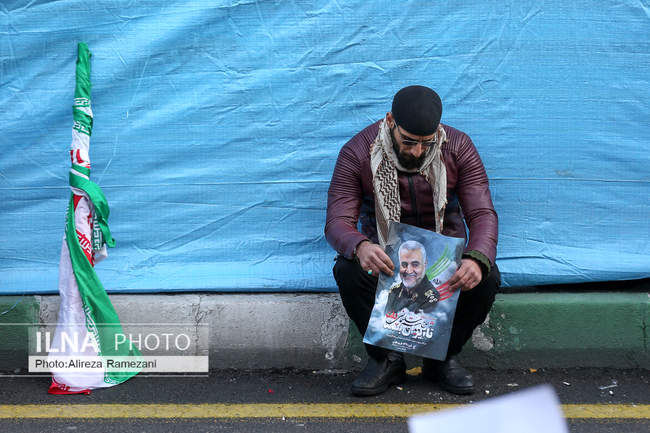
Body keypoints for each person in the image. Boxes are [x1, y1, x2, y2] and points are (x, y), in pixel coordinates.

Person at [325, 85, 500, 397]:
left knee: (486, 276)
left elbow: (482, 213)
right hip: (386, 259)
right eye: (409, 141)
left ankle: (442, 360)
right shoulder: (358, 152)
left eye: (426, 143)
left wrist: (476, 258)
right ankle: (386, 360)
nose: (418, 151)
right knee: (348, 269)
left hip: (442, 262)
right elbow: (337, 221)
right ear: (390, 121)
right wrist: (361, 246)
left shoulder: (458, 146)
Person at [384, 241, 440, 316]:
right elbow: (384, 318)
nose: (409, 271)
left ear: (425, 264)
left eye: (415, 264)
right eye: (404, 264)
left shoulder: (431, 298)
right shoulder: (394, 291)